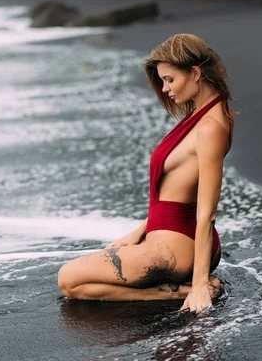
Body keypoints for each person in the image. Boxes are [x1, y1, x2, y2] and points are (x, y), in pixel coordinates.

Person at [58, 33, 234, 313]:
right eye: (163, 81)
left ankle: (175, 293)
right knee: (77, 279)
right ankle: (179, 284)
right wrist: (140, 231)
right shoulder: (199, 115)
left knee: (70, 280)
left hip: (179, 249)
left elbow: (207, 212)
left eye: (170, 79)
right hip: (167, 235)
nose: (165, 89)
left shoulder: (210, 128)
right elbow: (174, 190)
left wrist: (199, 283)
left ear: (196, 72)